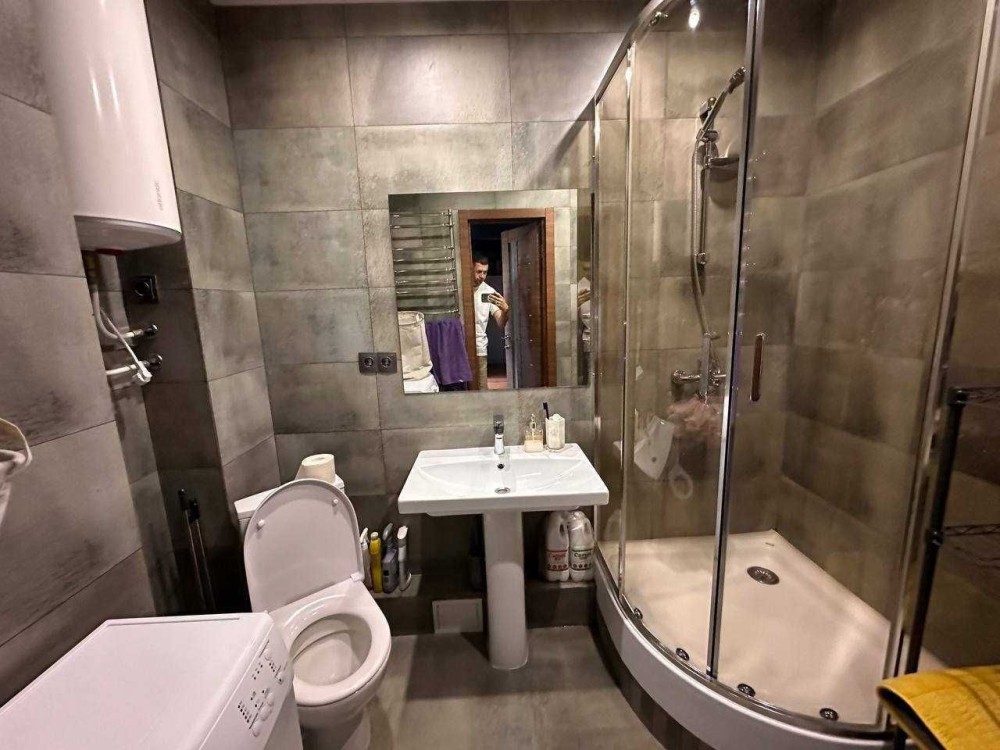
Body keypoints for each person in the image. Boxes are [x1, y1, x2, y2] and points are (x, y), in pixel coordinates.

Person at [472, 254, 510, 389]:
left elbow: (500, 323)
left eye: (485, 272)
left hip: (480, 349)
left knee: (482, 389)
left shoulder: (488, 292)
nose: (482, 276)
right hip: (459, 348)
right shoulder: (461, 288)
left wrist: (506, 310)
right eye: (478, 272)